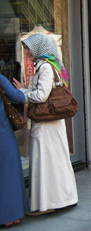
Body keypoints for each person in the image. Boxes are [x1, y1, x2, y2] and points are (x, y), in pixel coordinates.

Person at [13, 34, 78, 216]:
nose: (26, 52)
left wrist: (22, 93)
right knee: (54, 161)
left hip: (46, 124)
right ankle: (61, 198)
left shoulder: (45, 67)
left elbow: (41, 96)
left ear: (38, 48)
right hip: (52, 123)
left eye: (28, 48)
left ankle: (47, 203)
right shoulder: (50, 65)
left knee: (46, 161)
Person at [0, 74, 27, 228]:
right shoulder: (1, 79)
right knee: (9, 173)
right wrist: (24, 89)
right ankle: (13, 215)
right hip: (3, 132)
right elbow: (18, 98)